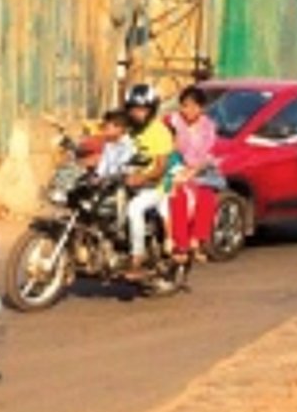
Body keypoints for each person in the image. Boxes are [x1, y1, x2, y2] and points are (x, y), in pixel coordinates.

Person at [122, 83, 174, 279]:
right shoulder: (128, 130)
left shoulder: (160, 132)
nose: (137, 114)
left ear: (151, 110)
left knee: (134, 208)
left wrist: (141, 177)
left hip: (155, 188)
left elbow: (161, 168)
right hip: (127, 183)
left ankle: (138, 256)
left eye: (142, 109)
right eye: (134, 109)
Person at [165, 85, 220, 264]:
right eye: (185, 105)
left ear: (201, 108)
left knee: (207, 196)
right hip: (175, 168)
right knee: (178, 197)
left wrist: (194, 170)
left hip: (200, 170)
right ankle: (180, 243)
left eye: (194, 106)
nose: (189, 110)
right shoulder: (171, 122)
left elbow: (209, 153)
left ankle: (197, 239)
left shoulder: (208, 127)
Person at [94, 109, 135, 179]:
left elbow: (122, 170)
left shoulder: (129, 146)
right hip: (108, 181)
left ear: (121, 128)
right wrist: (96, 176)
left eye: (108, 127)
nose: (104, 129)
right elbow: (103, 163)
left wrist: (102, 179)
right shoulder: (109, 144)